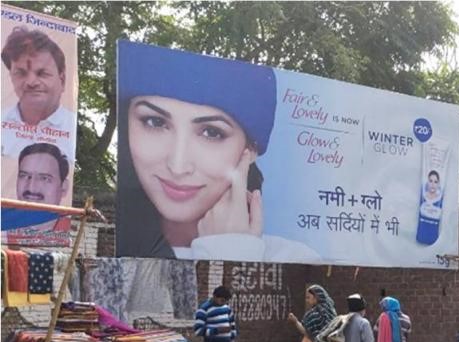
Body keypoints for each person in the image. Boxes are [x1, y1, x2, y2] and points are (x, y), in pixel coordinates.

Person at [116, 42, 319, 262]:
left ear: (250, 149)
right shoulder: (114, 252)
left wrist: (230, 249)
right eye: (155, 122)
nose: (178, 165)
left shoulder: (292, 258)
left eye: (211, 132)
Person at [1, 28, 75, 159]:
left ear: (62, 79)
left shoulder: (72, 126)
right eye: (21, 73)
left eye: (42, 73)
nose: (31, 82)